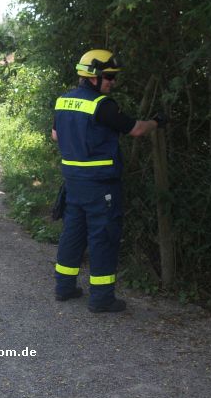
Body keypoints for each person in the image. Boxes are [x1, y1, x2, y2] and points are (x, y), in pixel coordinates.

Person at [52, 49, 168, 313]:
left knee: (73, 234)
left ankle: (64, 287)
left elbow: (55, 136)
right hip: (100, 185)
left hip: (73, 183)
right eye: (109, 76)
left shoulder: (63, 101)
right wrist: (156, 123)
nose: (113, 82)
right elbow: (136, 129)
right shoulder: (102, 105)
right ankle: (102, 298)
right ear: (93, 76)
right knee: (103, 237)